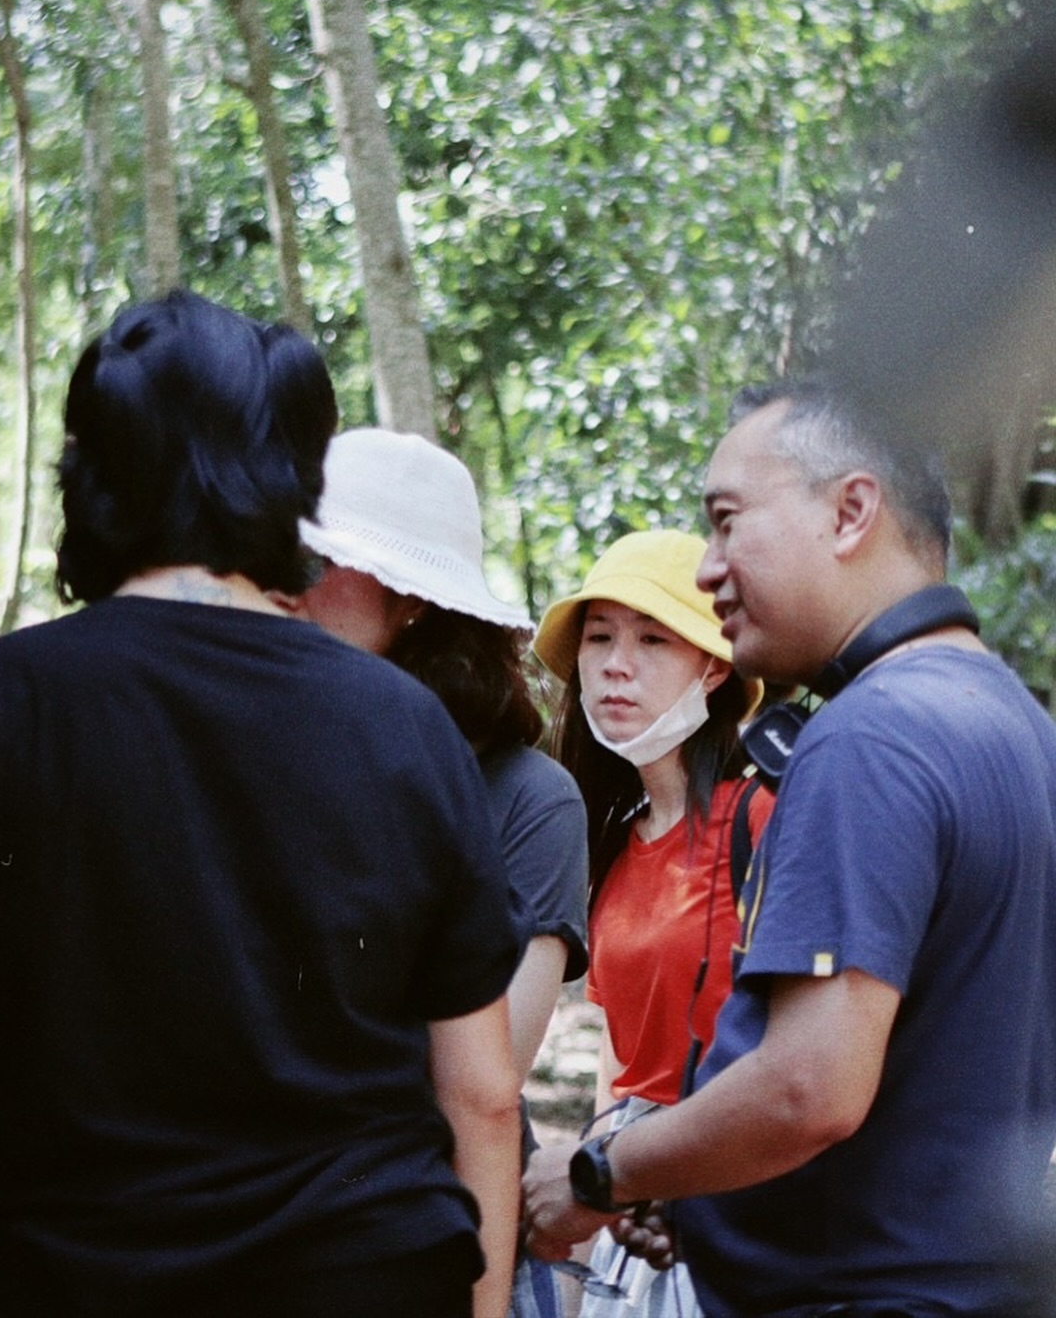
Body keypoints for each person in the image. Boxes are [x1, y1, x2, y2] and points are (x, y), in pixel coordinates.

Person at [0, 291, 525, 1318]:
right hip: (367, 1282)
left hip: (71, 1278)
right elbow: (482, 1092)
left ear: (89, 474)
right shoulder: (408, 725)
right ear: (292, 481)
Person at [524, 376, 1056, 1316]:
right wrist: (706, 1195)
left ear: (852, 512)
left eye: (729, 522)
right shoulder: (1015, 721)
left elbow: (811, 1089)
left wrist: (601, 1172)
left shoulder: (870, 738)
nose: (709, 568)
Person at [289, 427, 589, 1318]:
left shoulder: (531, 799)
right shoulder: (275, 749)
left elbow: (488, 1071)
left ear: (414, 602)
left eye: (326, 559)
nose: (294, 579)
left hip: (431, 1213)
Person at [532, 529, 768, 1318]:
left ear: (714, 666)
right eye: (598, 639)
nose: (614, 666)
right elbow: (619, 1052)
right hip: (633, 1202)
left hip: (742, 1177)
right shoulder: (613, 844)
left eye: (650, 640)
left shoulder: (765, 818)